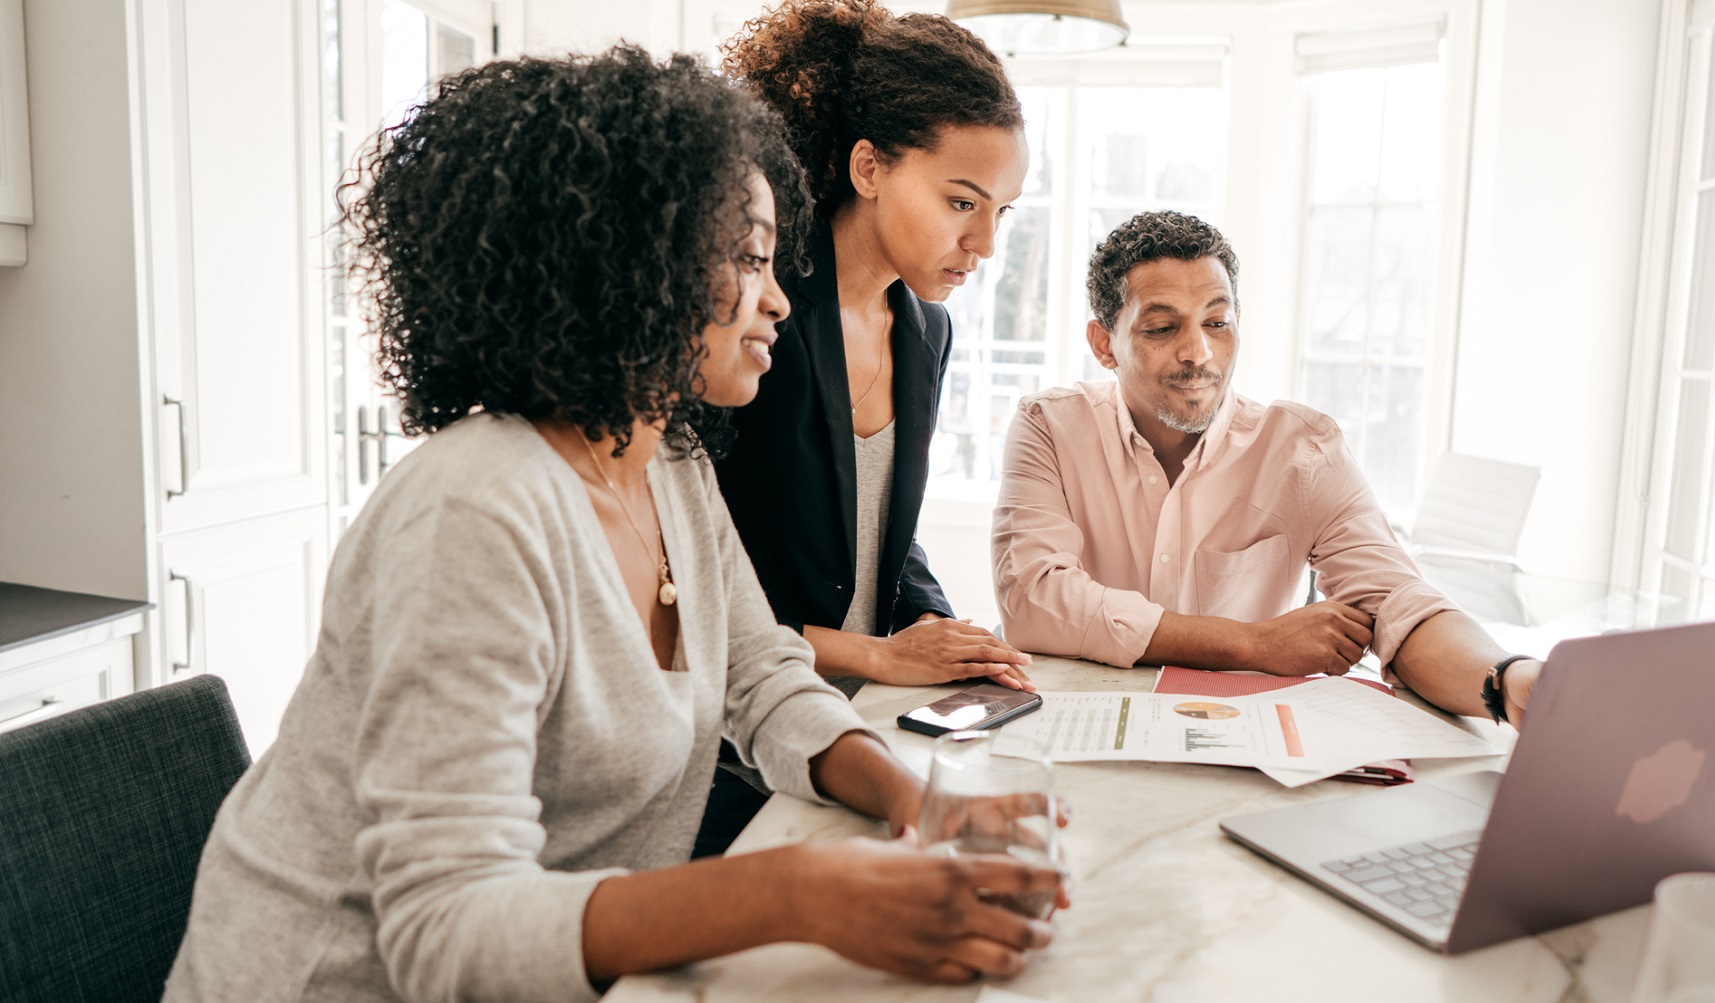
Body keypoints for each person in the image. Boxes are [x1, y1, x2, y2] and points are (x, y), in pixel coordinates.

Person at [163, 49, 1061, 1003]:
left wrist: (912, 796)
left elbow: (760, 680)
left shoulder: (669, 465)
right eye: (747, 258)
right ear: (634, 262)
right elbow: (443, 930)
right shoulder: (476, 507)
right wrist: (794, 889)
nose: (779, 297)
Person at [990, 211, 1543, 727]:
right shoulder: (1048, 427)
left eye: (1217, 323)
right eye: (1162, 329)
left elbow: (1399, 603)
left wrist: (1506, 679)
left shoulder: (1303, 450)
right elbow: (1034, 602)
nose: (1199, 352)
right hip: (1081, 728)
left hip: (1242, 741)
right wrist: (1251, 643)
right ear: (1104, 343)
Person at [714, 0, 1034, 696]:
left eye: (1000, 210)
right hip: (744, 722)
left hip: (859, 712)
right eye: (961, 203)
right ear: (868, 168)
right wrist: (879, 656)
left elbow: (877, 535)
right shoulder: (758, 318)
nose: (985, 244)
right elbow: (699, 577)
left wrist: (952, 641)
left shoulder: (929, 330)